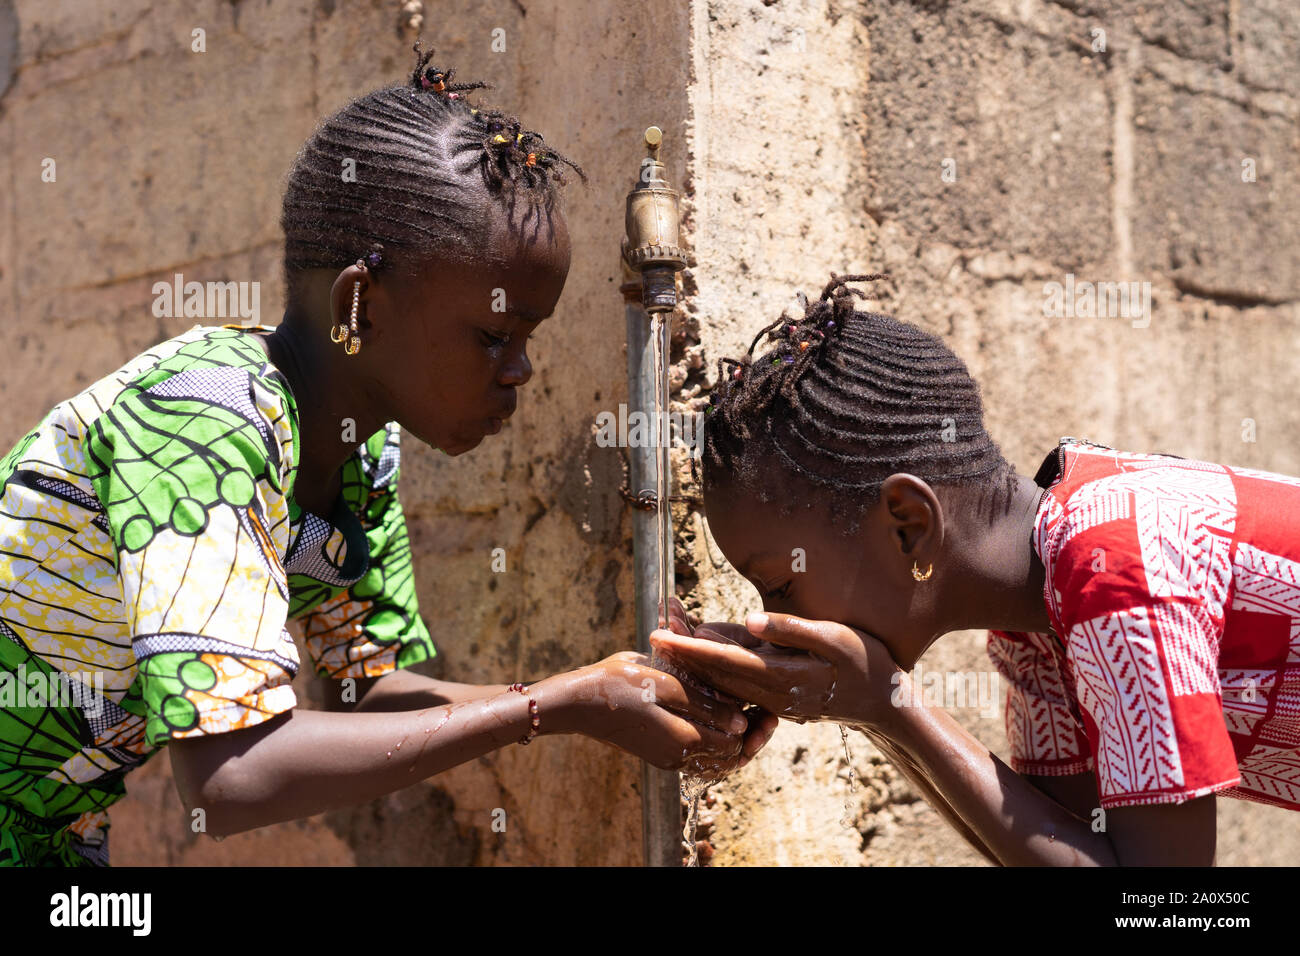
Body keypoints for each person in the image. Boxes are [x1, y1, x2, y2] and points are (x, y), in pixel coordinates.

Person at [0, 44, 764, 867]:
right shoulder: (206, 423)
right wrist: (559, 704)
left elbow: (364, 694)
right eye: (492, 336)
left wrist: (604, 692)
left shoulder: (357, 456)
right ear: (359, 306)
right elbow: (231, 779)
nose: (522, 371)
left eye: (528, 338)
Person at [651, 272, 1300, 865]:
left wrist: (890, 703)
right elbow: (1067, 852)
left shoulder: (1116, 568)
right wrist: (871, 708)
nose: (771, 623)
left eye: (783, 585)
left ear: (909, 523)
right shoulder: (1037, 633)